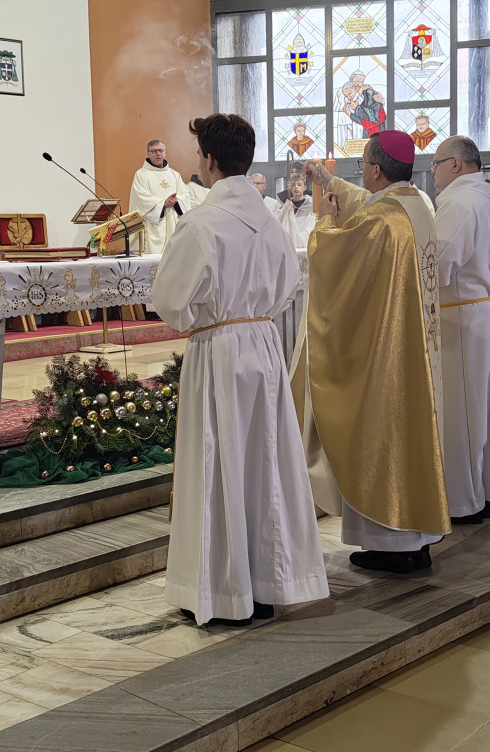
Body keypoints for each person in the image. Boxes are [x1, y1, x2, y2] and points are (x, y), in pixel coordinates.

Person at [151, 113, 328, 627]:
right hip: (263, 344)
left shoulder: (201, 223)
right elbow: (288, 285)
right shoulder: (272, 223)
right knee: (265, 460)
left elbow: (170, 301)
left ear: (209, 160)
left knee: (219, 459)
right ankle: (270, 582)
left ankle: (224, 591)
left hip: (219, 349)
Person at [296, 131, 449, 573]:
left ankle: (393, 544)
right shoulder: (414, 207)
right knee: (416, 434)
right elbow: (364, 202)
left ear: (378, 170)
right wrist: (326, 179)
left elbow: (334, 257)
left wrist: (324, 221)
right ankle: (418, 538)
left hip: (390, 352)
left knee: (386, 430)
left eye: (363, 163)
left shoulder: (383, 220)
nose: (361, 170)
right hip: (420, 347)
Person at [432, 136, 490, 523]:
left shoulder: (459, 204)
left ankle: (462, 501)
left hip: (463, 319)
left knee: (462, 412)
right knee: (487, 410)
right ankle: (484, 491)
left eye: (436, 164)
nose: (433, 173)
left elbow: (435, 266)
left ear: (455, 164)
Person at [129, 139, 191, 254]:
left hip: (174, 225)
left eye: (160, 150)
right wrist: (163, 203)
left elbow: (185, 195)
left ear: (165, 153)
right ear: (148, 154)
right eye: (154, 151)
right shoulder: (141, 175)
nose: (158, 154)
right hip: (153, 227)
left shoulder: (174, 174)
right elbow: (141, 199)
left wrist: (176, 200)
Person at [278, 176, 316, 249]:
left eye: (299, 185)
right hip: (288, 245)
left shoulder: (311, 207)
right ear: (290, 189)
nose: (296, 187)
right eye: (293, 185)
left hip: (304, 245)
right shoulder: (285, 207)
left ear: (305, 187)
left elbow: (310, 228)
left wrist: (298, 239)